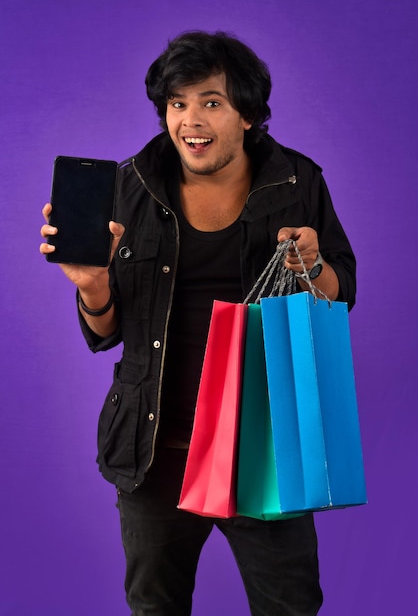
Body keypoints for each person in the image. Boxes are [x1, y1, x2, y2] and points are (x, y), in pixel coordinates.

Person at [40, 30, 356, 616]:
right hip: (155, 450)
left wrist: (315, 268)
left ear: (247, 116)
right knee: (154, 607)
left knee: (290, 607)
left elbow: (342, 291)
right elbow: (106, 331)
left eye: (211, 101)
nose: (191, 118)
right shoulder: (131, 186)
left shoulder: (297, 182)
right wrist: (92, 287)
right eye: (178, 103)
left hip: (266, 451)